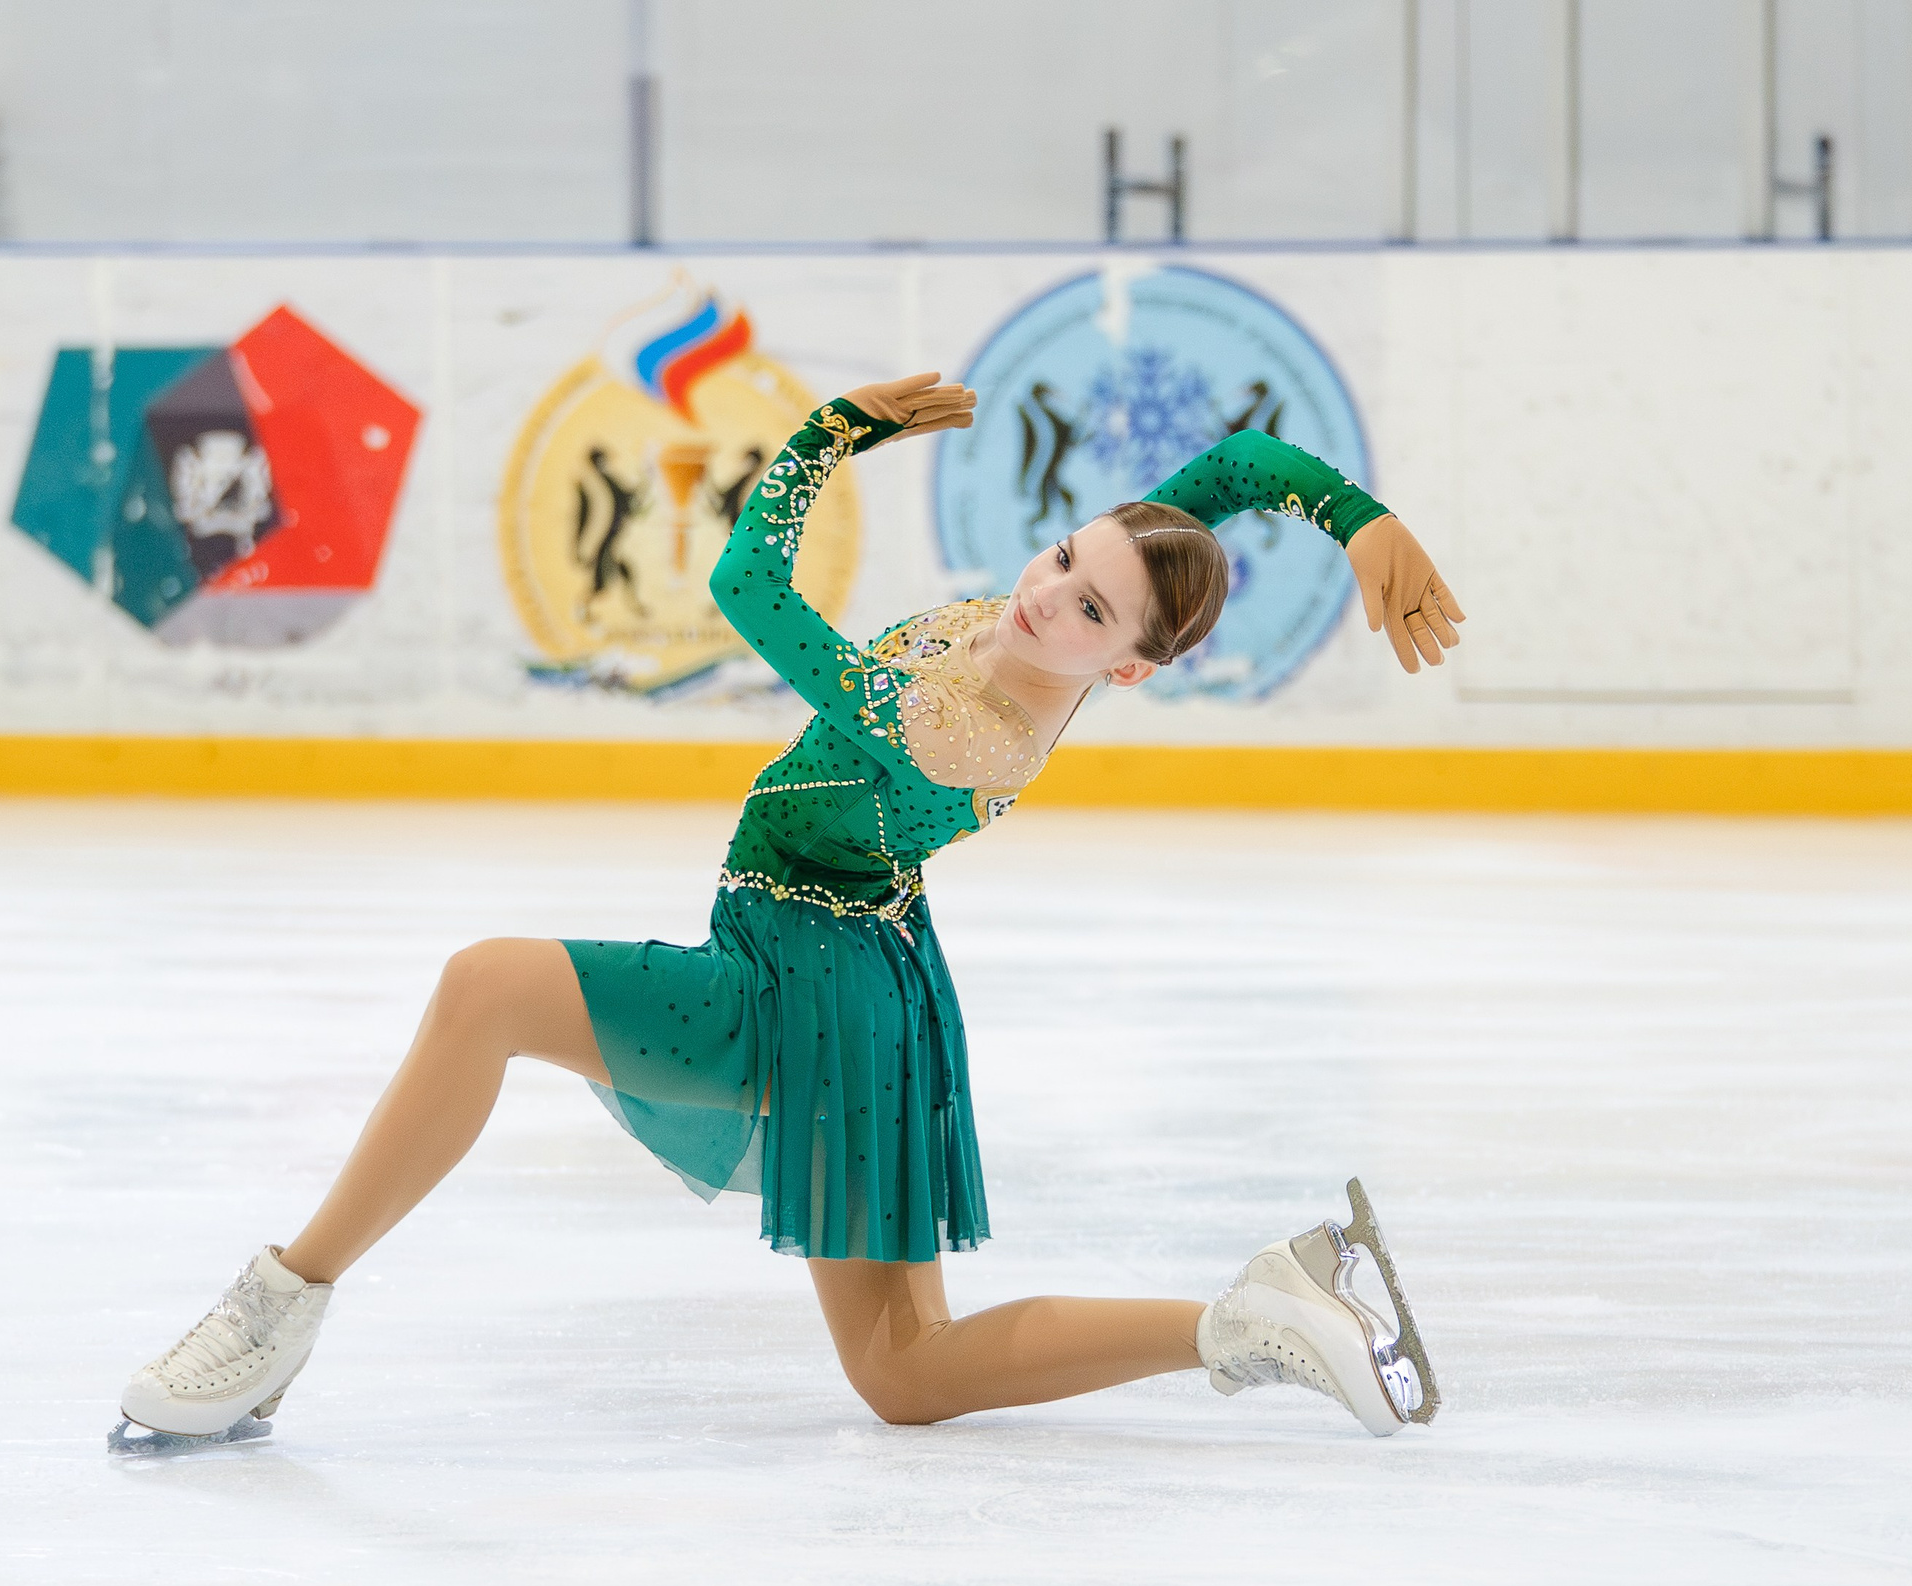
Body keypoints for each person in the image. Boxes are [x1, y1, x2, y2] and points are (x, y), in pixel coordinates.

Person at [110, 375, 1466, 1454]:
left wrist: (830, 433)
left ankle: (278, 1307)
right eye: (1063, 554)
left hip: (797, 979)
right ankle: (1256, 1314)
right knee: (904, 1371)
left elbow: (748, 589)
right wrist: (1356, 516)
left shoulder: (956, 723)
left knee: (486, 989)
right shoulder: (1059, 625)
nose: (1047, 588)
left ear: (1128, 663)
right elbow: (1233, 470)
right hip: (868, 974)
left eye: (1088, 605)